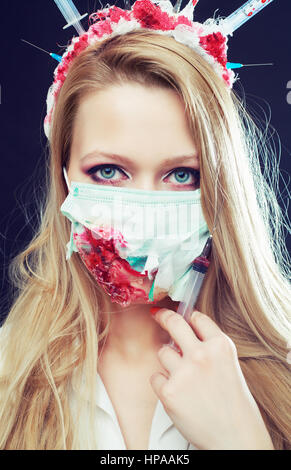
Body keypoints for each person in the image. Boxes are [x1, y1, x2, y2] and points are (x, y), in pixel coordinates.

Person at [0, 2, 290, 450]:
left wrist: (243, 440)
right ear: (65, 178)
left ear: (221, 186)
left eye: (181, 175)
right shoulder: (7, 367)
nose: (142, 213)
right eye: (109, 172)